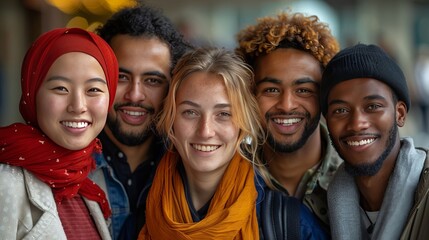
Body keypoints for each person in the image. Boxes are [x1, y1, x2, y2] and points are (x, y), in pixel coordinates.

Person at [138, 47, 328, 239]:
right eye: (190, 112)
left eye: (224, 114)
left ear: (244, 124)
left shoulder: (291, 224)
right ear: (170, 120)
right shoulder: (142, 211)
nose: (205, 131)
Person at [0, 27, 118, 239]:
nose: (78, 106)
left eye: (93, 90)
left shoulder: (89, 178)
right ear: (32, 92)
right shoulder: (6, 182)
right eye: (61, 88)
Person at [88, 4, 192, 240]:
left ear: (173, 87)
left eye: (152, 80)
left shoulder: (192, 166)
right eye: (121, 77)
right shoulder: (61, 166)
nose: (135, 95)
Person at [236, 11, 342, 229]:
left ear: (325, 95)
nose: (286, 105)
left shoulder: (356, 177)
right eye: (271, 89)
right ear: (249, 94)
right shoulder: (226, 176)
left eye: (303, 90)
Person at [320, 43, 429, 239]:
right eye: (341, 110)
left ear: (400, 114)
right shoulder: (318, 209)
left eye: (373, 106)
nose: (356, 123)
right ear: (327, 120)